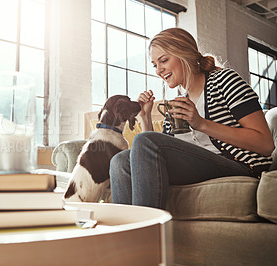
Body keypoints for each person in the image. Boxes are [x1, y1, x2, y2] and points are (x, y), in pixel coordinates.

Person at [109, 27, 274, 209]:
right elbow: (153, 154)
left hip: (238, 165)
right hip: (198, 167)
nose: (159, 70)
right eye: (155, 65)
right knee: (120, 161)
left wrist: (201, 124)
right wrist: (145, 117)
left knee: (142, 144)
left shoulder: (224, 80)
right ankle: (128, 234)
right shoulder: (179, 103)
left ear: (185, 54)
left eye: (164, 60)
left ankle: (148, 232)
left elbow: (265, 144)